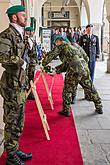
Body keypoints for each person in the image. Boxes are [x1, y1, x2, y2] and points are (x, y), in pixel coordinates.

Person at [0, 5, 32, 165]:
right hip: (11, 86)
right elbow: (2, 57)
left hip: (20, 84)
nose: (26, 18)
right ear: (14, 17)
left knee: (19, 120)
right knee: (12, 121)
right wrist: (21, 62)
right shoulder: (6, 35)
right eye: (23, 15)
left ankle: (14, 148)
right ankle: (10, 157)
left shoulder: (20, 35)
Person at [42, 35, 103, 117]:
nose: (56, 45)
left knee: (67, 90)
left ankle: (66, 110)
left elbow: (50, 56)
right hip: (84, 66)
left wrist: (43, 63)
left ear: (59, 41)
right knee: (90, 88)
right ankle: (99, 106)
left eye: (56, 43)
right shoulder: (75, 45)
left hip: (74, 68)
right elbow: (86, 58)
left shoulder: (61, 46)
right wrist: (56, 70)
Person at [24, 26, 38, 100]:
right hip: (27, 62)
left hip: (32, 62)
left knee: (31, 77)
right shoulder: (26, 40)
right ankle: (28, 92)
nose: (33, 33)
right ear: (28, 32)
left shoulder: (32, 40)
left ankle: (30, 92)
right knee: (27, 78)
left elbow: (34, 51)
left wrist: (36, 60)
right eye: (31, 31)